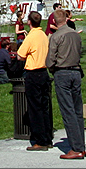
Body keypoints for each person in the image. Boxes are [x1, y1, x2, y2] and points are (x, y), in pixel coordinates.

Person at [46, 8, 85, 160]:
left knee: (68, 111)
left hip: (62, 72)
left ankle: (76, 148)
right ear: (67, 19)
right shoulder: (76, 35)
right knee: (77, 110)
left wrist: (52, 68)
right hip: (76, 71)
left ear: (55, 21)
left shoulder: (56, 37)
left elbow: (50, 60)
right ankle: (81, 145)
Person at [15, 10, 53, 151]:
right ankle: (47, 137)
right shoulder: (43, 35)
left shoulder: (31, 37)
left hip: (33, 73)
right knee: (44, 107)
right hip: (44, 72)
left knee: (35, 108)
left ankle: (40, 140)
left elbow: (20, 55)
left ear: (29, 22)